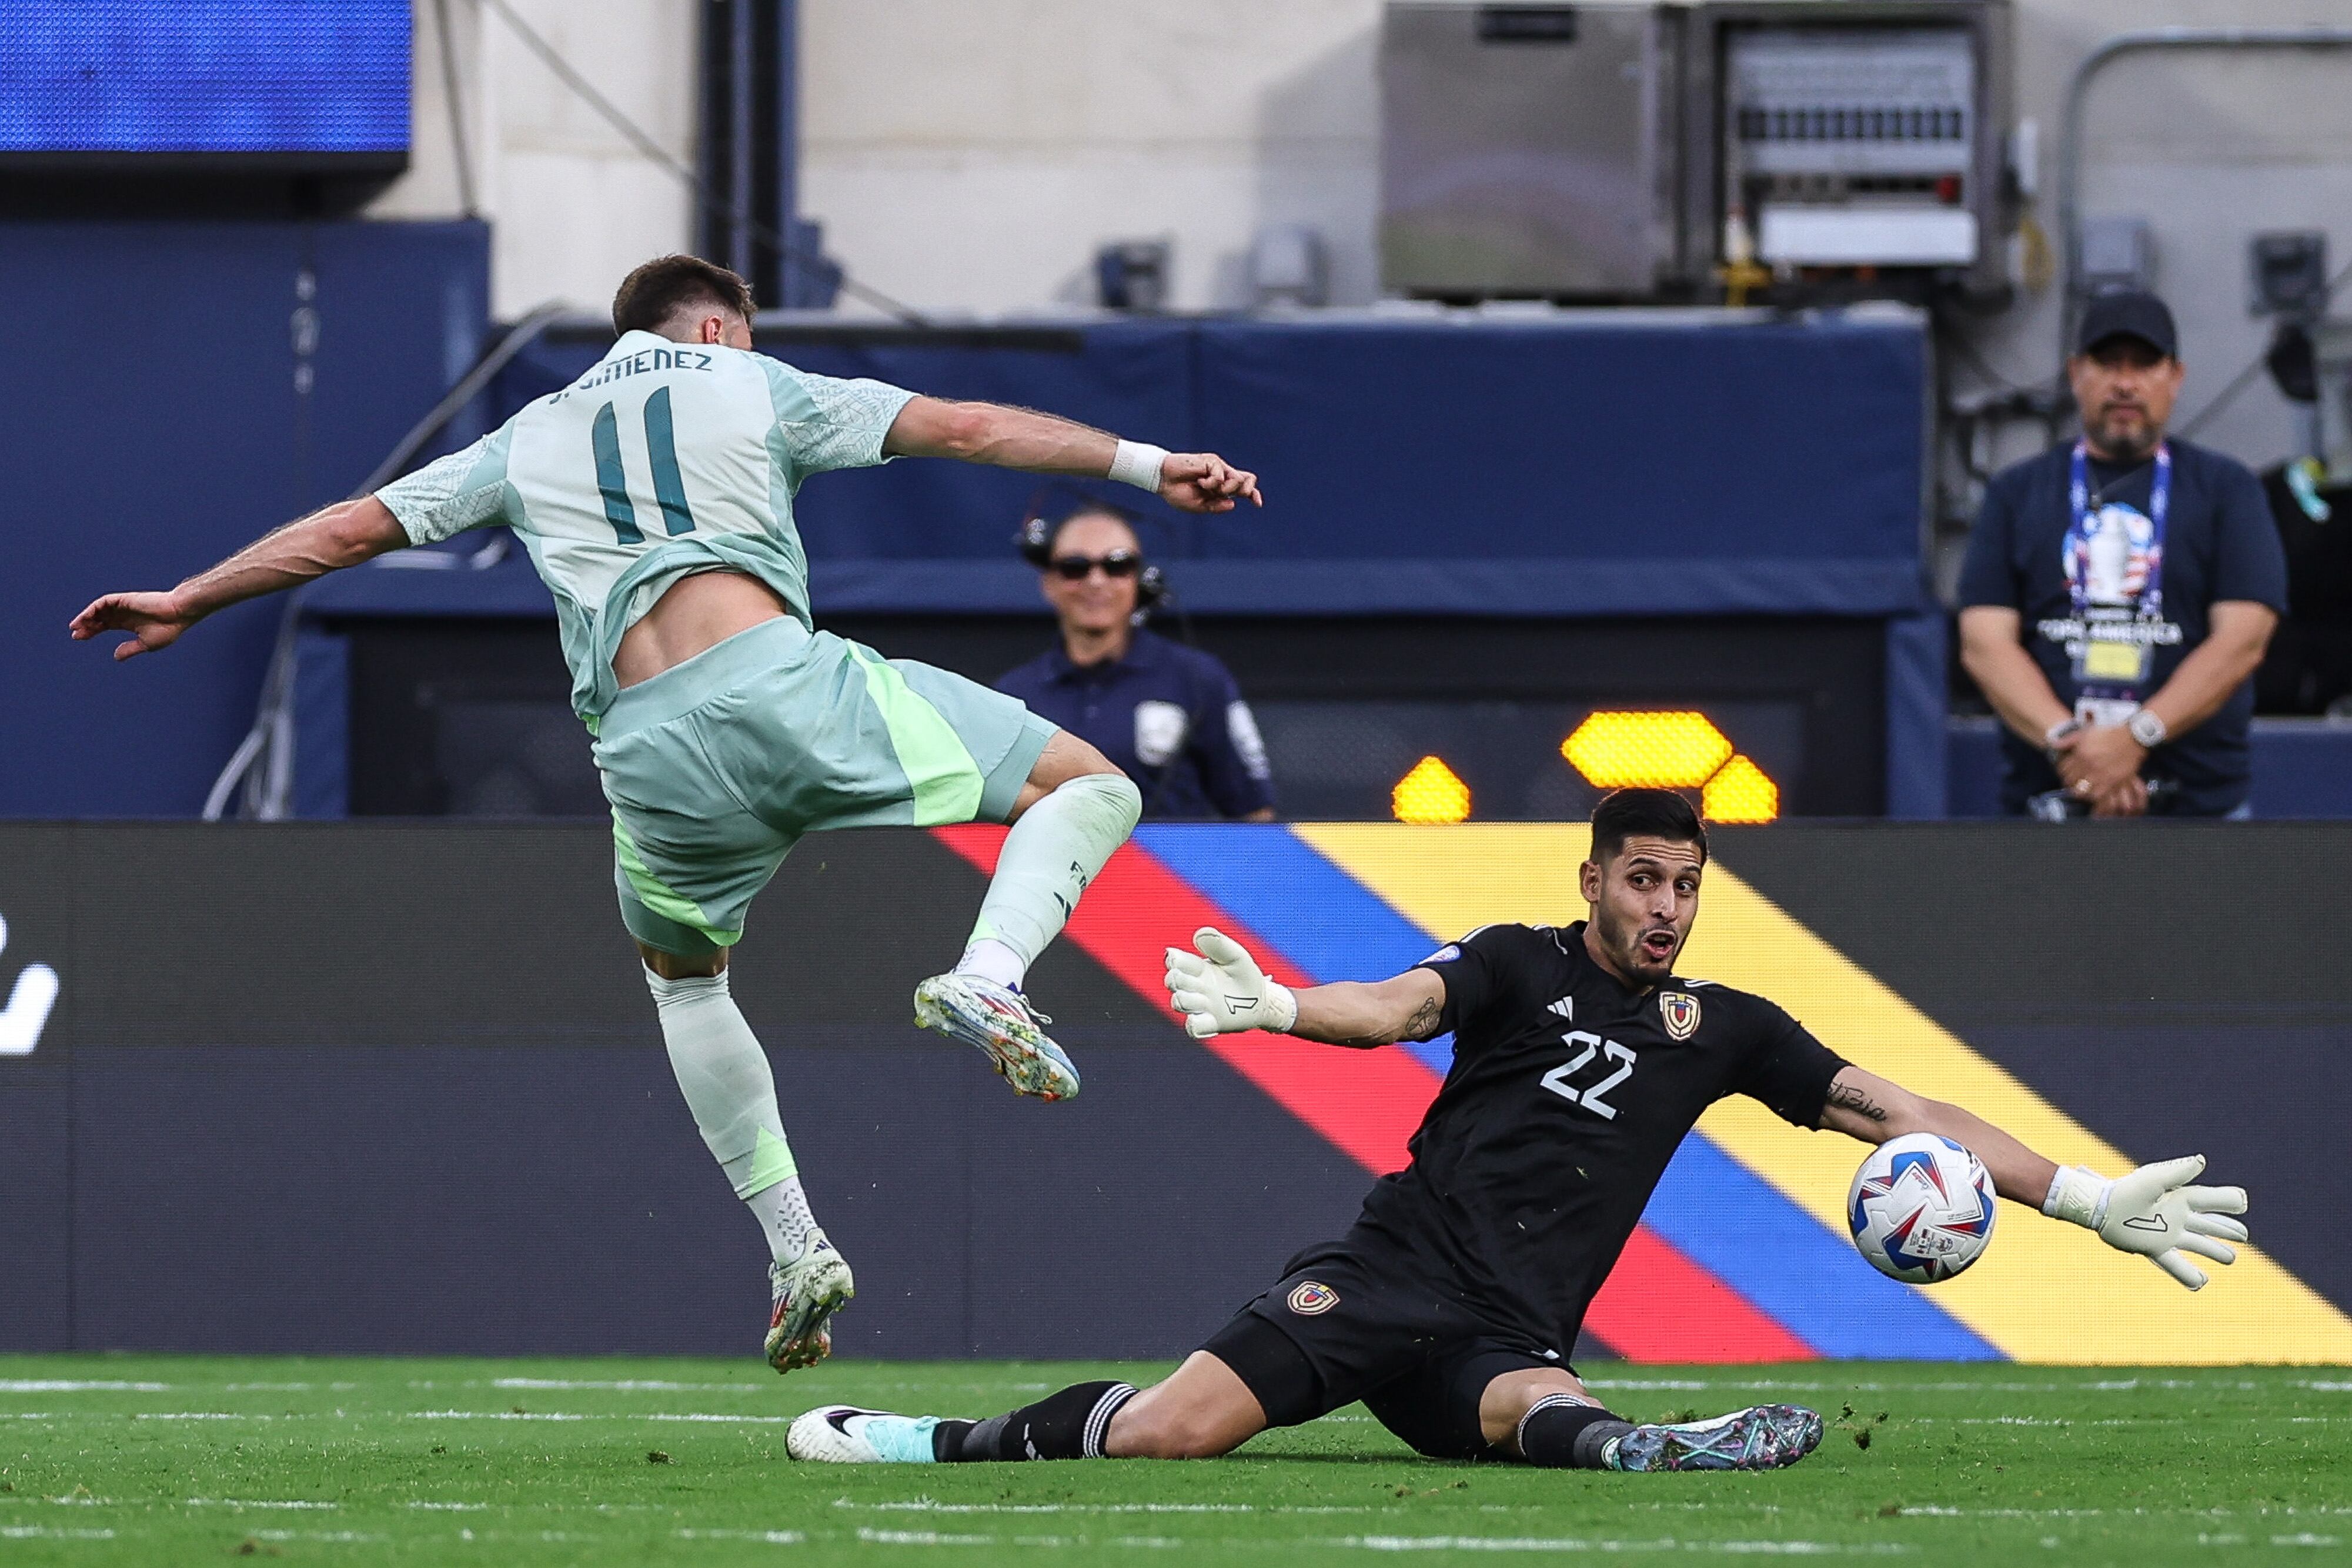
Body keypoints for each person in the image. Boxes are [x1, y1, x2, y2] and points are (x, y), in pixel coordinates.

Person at [68, 254, 1262, 1376]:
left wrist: (189, 595)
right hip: (778, 687)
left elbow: (346, 530)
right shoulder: (748, 377)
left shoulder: (526, 434)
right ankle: (989, 972)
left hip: (643, 757)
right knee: (1093, 785)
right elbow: (963, 427)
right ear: (710, 326)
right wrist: (1153, 465)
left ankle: (795, 1242)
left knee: (686, 982)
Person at [785, 788, 2249, 1472]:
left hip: (1507, 1331)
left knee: (1542, 1412)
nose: (1666, 907)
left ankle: (1649, 1450)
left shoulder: (1724, 1030)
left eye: (1686, 884)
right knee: (1169, 1438)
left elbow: (1902, 1112)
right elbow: (1393, 1005)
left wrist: (2080, 1196)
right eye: (1643, 880)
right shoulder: (1515, 962)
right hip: (1386, 1278)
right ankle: (938, 1441)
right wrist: (1284, 1008)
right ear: (1593, 879)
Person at [1957, 287, 2287, 818]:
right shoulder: (2017, 493)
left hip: (2197, 810)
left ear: (2175, 377)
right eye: (2108, 363)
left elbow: (2242, 642)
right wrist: (2072, 746)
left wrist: (2137, 737)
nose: (2125, 382)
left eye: (2145, 364)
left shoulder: (2228, 490)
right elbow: (1983, 643)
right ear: (2075, 374)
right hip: (2051, 802)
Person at [995, 504, 1275, 821]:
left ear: (1139, 581)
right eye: (1075, 567)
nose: (1096, 581)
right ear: (1048, 584)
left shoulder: (1198, 679)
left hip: (1166, 870)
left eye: (1117, 565)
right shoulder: (1013, 697)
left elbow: (1254, 813)